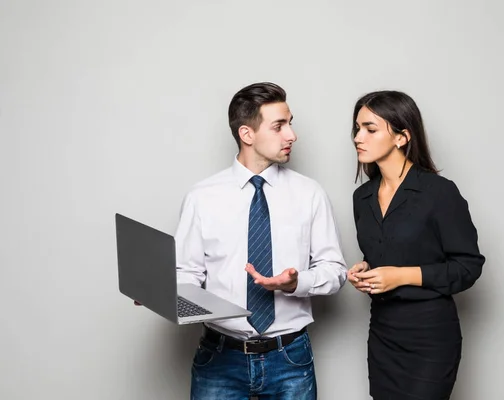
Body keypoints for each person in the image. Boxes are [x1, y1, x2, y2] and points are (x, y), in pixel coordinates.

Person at [174, 82, 347, 399]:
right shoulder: (202, 197)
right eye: (279, 126)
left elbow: (335, 270)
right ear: (247, 134)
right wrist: (160, 292)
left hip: (290, 359)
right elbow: (186, 274)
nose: (292, 135)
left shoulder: (310, 194)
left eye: (290, 123)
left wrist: (296, 283)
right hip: (220, 358)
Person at [348, 90, 485, 400]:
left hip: (430, 337)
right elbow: (387, 253)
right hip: (383, 333)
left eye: (370, 129)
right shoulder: (362, 198)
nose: (358, 137)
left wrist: (400, 276)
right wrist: (366, 270)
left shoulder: (439, 193)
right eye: (357, 128)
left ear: (401, 137)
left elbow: (468, 266)